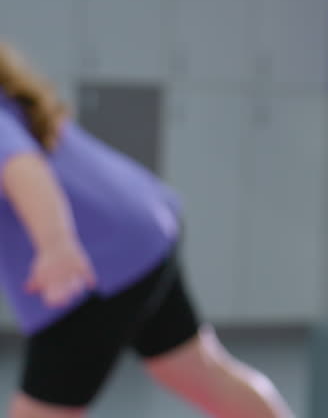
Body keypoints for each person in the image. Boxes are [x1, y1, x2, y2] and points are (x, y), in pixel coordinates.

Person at [0, 43, 294, 418]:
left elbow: (23, 167)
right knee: (195, 371)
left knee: (39, 413)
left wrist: (56, 246)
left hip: (96, 267)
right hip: (141, 234)